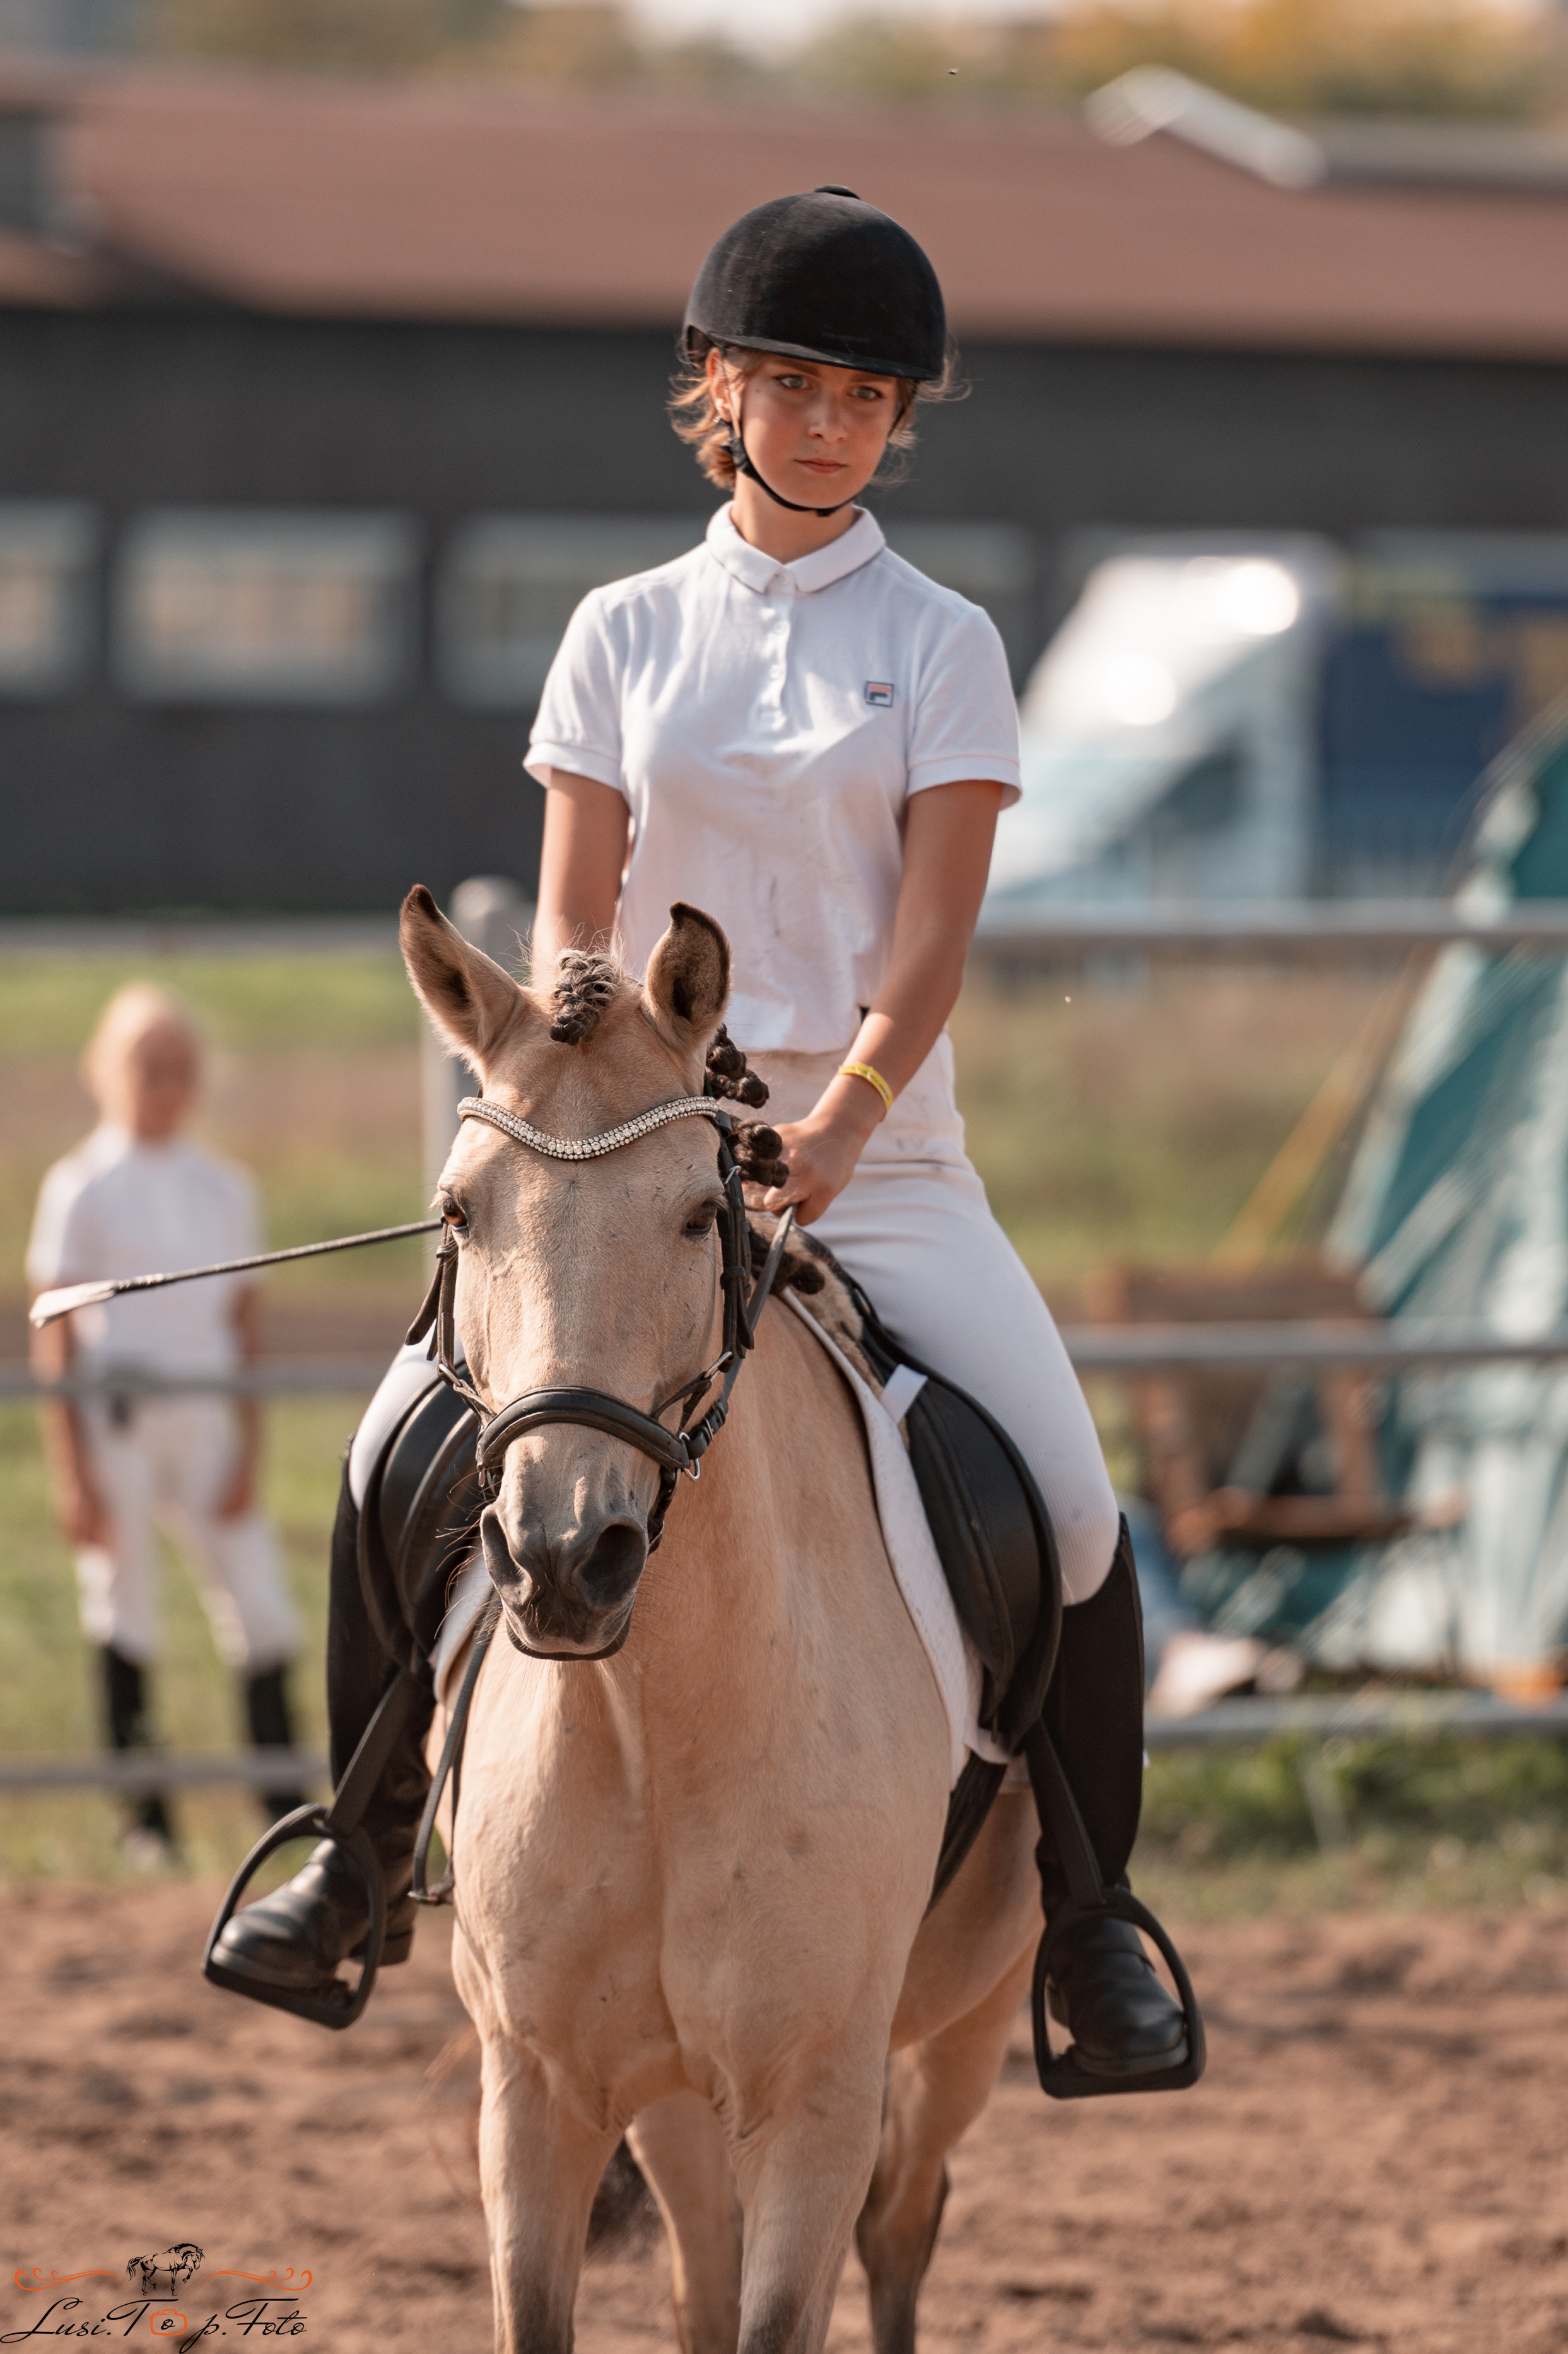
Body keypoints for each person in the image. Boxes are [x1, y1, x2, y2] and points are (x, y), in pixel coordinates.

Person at [212, 188, 1186, 2077]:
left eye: (866, 395)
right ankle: (356, 1851)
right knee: (382, 1453)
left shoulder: (942, 644)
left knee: (1070, 1504)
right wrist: (592, 1129)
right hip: (625, 1169)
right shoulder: (617, 632)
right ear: (718, 389)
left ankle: (1086, 1921)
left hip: (874, 1170)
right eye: (792, 382)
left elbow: (929, 940)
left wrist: (836, 1126)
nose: (828, 421)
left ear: (899, 420)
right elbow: (575, 943)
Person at [28, 982, 305, 1865]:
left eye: (180, 1069)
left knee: (260, 1606)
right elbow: (57, 1337)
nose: (165, 1086)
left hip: (207, 1420)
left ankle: (284, 1804)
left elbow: (245, 1331)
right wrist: (73, 1469)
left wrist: (250, 1450)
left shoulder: (225, 1191)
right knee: (126, 1607)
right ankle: (145, 1820)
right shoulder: (81, 1186)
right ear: (110, 1073)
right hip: (120, 1420)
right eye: (148, 1068)